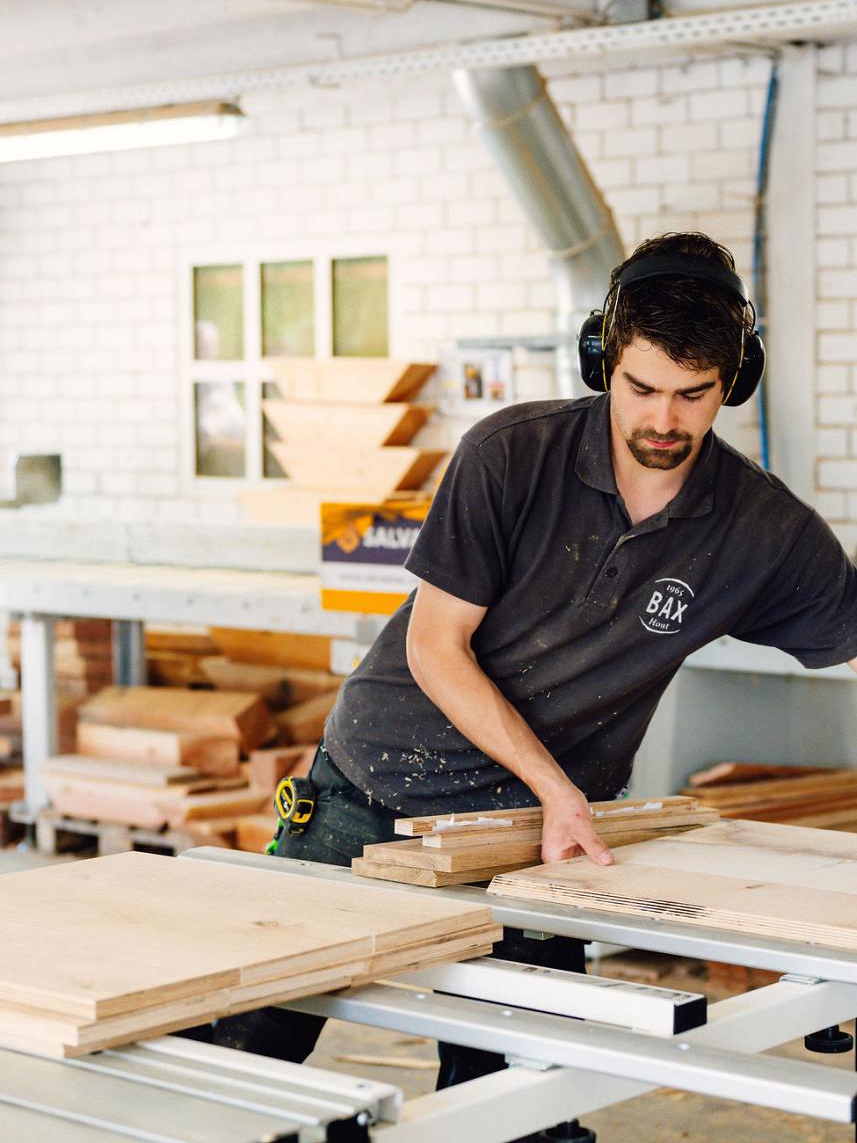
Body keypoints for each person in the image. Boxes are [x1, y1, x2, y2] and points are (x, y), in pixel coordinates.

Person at [210, 232, 857, 1135]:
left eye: (692, 394)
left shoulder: (758, 528)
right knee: (241, 1054)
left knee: (521, 1099)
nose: (662, 419)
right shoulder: (510, 454)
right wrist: (558, 789)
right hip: (373, 792)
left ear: (734, 381)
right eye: (639, 388)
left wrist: (552, 806)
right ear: (601, 361)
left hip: (535, 842)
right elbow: (438, 648)